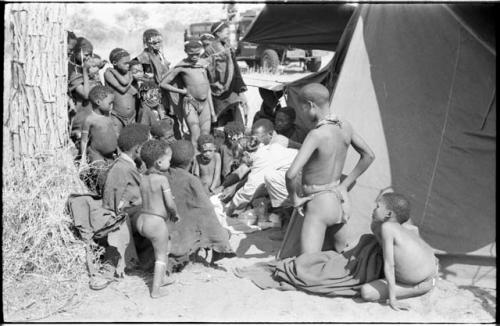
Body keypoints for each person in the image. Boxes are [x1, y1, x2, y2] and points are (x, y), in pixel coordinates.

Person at [285, 83, 375, 254]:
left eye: (301, 109)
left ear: (311, 105)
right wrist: (344, 185)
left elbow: (290, 174)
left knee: (307, 266)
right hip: (338, 200)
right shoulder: (345, 126)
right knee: (341, 257)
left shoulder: (317, 135)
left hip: (318, 203)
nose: (301, 115)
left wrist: (294, 199)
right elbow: (369, 156)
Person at [360, 193, 439, 310]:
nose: (374, 209)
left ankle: (422, 288)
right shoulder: (401, 227)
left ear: (389, 214)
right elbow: (414, 230)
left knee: (367, 292)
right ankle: (428, 280)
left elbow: (390, 265)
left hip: (422, 281)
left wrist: (393, 299)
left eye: (377, 206)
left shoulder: (387, 227)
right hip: (432, 268)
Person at [165, 140, 236, 265]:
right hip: (183, 237)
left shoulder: (163, 176)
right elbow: (207, 211)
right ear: (191, 161)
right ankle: (197, 255)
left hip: (166, 233)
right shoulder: (191, 180)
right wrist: (222, 240)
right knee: (224, 232)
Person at [225, 119, 298, 217]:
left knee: (270, 178)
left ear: (246, 154)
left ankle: (291, 209)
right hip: (302, 172)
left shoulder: (264, 156)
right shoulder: (267, 149)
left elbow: (249, 189)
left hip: (305, 174)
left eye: (242, 161)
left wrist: (230, 209)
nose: (244, 164)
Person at [137, 140, 181, 298]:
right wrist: (175, 213)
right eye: (169, 160)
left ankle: (160, 278)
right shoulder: (162, 179)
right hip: (155, 222)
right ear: (159, 162)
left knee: (164, 245)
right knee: (161, 255)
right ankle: (156, 290)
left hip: (142, 220)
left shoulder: (142, 178)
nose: (170, 162)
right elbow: (170, 203)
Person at [161, 39, 215, 148]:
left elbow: (208, 88)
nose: (194, 57)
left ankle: (201, 161)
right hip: (190, 103)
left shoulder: (203, 65)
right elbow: (163, 84)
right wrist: (182, 91)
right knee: (195, 135)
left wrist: (212, 111)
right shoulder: (182, 66)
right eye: (191, 54)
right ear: (186, 52)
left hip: (205, 105)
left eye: (197, 54)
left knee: (205, 136)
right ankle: (193, 161)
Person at [203, 21, 248, 127]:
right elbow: (208, 69)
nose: (228, 35)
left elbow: (234, 69)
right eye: (226, 33)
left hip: (231, 89)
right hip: (219, 91)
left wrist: (240, 90)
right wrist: (215, 83)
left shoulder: (227, 46)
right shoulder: (210, 49)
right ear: (218, 33)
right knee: (221, 120)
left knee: (235, 117)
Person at [80, 85, 117, 164]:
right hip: (96, 155)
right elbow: (84, 141)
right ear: (98, 102)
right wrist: (83, 161)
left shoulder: (108, 115)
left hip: (110, 155)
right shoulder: (89, 120)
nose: (112, 106)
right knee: (101, 174)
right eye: (110, 103)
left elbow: (113, 132)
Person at [104, 48, 138, 135]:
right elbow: (122, 90)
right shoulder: (109, 73)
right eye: (125, 63)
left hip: (132, 116)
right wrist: (131, 80)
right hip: (117, 116)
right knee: (116, 139)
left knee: (132, 140)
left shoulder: (128, 73)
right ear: (114, 63)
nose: (128, 65)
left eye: (129, 63)